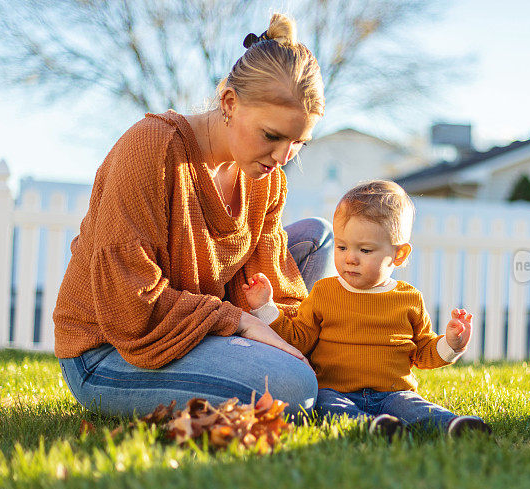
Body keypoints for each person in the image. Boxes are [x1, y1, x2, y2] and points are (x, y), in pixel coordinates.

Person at [53, 14, 335, 418]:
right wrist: (239, 322)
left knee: (317, 237)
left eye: (298, 142)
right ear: (229, 103)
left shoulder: (266, 180)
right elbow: (131, 307)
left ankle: (302, 372)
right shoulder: (151, 148)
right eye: (272, 136)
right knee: (294, 387)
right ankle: (294, 379)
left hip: (194, 326)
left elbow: (275, 290)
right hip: (111, 351)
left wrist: (302, 334)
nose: (282, 158)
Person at [242, 180, 491, 437]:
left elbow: (424, 352)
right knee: (330, 407)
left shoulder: (408, 298)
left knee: (416, 408)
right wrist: (265, 307)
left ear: (399, 255)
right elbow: (298, 339)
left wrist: (452, 344)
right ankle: (372, 428)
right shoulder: (324, 292)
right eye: (342, 247)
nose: (350, 257)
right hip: (335, 390)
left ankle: (456, 426)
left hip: (394, 392)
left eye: (365, 249)